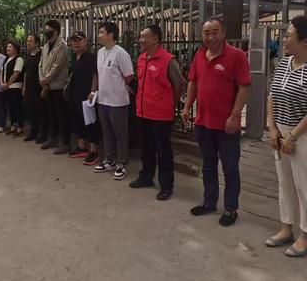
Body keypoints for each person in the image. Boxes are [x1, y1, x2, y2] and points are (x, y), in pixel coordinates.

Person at [182, 18, 251, 227]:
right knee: (208, 166)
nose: (209, 37)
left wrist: (235, 114)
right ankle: (209, 202)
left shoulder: (236, 56)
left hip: (227, 126)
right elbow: (193, 82)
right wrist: (187, 107)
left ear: (223, 33)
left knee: (230, 168)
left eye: (214, 32)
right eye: (205, 33)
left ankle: (231, 208)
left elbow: (245, 87)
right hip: (204, 123)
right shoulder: (200, 55)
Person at [130, 25, 186, 200]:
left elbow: (179, 84)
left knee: (163, 151)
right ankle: (146, 176)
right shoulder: (141, 58)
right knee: (146, 148)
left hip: (161, 115)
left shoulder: (168, 60)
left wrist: (171, 104)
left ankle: (166, 185)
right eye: (140, 37)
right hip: (143, 112)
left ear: (155, 39)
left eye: (143, 37)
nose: (140, 40)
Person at [267, 15, 307, 257]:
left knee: (304, 186)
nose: (284, 40)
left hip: (301, 136)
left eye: (289, 36)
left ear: (305, 41)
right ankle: (286, 228)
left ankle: (304, 234)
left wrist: (292, 136)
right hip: (280, 133)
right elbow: (271, 95)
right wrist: (272, 129)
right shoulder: (284, 63)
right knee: (285, 184)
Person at [90, 22, 134, 181]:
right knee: (106, 131)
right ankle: (109, 159)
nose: (99, 35)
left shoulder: (120, 53)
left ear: (111, 35)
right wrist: (94, 91)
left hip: (118, 101)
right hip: (103, 100)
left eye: (101, 32)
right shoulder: (100, 52)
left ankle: (122, 163)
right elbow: (98, 74)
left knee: (120, 133)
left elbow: (129, 76)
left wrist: (120, 87)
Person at [67, 31, 100, 166]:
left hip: (87, 97)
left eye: (79, 40)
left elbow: (95, 76)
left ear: (86, 42)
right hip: (75, 95)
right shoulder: (74, 58)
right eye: (74, 40)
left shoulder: (92, 58)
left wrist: (92, 92)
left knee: (90, 123)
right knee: (77, 120)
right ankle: (82, 148)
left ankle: (94, 151)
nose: (76, 43)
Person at [38, 20, 70, 155]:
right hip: (47, 85)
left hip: (57, 85)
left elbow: (58, 67)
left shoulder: (62, 46)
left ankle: (64, 142)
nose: (46, 32)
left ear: (55, 31)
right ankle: (52, 138)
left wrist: (46, 80)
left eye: (48, 30)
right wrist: (42, 80)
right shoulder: (46, 46)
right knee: (51, 113)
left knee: (61, 115)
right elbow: (40, 65)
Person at [23, 34, 47, 143]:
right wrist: (24, 86)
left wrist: (44, 87)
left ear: (37, 43)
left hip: (38, 87)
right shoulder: (28, 56)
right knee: (31, 111)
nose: (28, 43)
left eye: (30, 41)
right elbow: (26, 73)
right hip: (28, 87)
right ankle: (33, 132)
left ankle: (41, 134)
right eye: (27, 41)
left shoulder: (41, 55)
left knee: (40, 112)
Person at [1, 41, 25, 137]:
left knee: (17, 106)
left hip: (15, 86)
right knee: (10, 107)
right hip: (7, 87)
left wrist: (7, 84)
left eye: (10, 46)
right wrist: (2, 83)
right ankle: (13, 125)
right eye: (7, 46)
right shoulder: (6, 59)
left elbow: (16, 74)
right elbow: (2, 72)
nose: (8, 48)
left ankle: (20, 126)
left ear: (15, 49)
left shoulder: (19, 59)